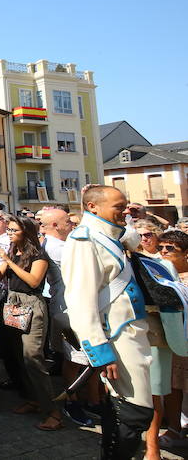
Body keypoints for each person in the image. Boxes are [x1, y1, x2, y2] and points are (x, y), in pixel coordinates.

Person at [63, 185, 153, 459]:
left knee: (130, 410)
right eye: (118, 206)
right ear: (93, 207)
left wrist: (129, 218)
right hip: (115, 335)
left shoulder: (109, 233)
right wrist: (99, 350)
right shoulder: (84, 240)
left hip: (132, 332)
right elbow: (80, 300)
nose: (124, 210)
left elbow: (132, 239)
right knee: (133, 412)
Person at [0, 215, 63, 431]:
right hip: (13, 302)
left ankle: (53, 413)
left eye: (13, 230)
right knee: (19, 356)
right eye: (9, 230)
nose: (9, 234)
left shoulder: (39, 254)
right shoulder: (13, 252)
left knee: (33, 358)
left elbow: (34, 281)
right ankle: (34, 399)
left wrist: (9, 262)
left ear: (26, 232)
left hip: (31, 305)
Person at [38, 208, 99, 427]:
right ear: (55, 225)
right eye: (67, 221)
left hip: (75, 308)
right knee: (73, 358)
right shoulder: (56, 247)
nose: (71, 224)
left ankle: (92, 400)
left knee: (86, 357)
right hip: (67, 311)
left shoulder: (61, 245)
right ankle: (71, 402)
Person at [157, 230, 188, 449]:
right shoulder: (160, 275)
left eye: (171, 248)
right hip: (172, 338)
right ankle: (175, 429)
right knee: (173, 386)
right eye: (162, 247)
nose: (164, 251)